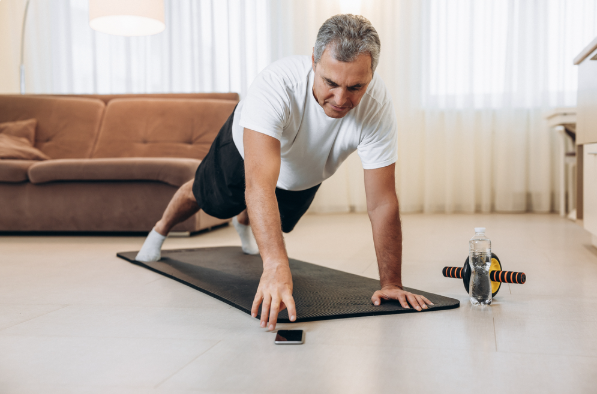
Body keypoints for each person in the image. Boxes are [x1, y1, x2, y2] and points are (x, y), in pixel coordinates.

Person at [136, 14, 433, 330]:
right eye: (330, 83)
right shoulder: (276, 84)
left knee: (280, 223)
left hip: (303, 172)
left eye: (355, 87)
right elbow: (259, 186)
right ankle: (159, 230)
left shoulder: (377, 107)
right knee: (210, 199)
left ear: (371, 75)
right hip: (243, 152)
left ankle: (244, 221)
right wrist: (275, 266)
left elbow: (382, 202)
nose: (341, 100)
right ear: (314, 62)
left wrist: (391, 282)